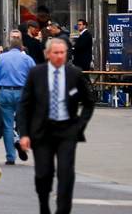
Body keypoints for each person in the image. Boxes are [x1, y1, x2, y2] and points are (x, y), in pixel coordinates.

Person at [19, 37, 96, 214]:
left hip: (67, 130)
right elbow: (24, 105)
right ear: (47, 54)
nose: (60, 56)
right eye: (56, 53)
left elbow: (89, 102)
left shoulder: (75, 73)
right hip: (42, 131)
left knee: (66, 172)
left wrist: (80, 125)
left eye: (63, 53)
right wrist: (23, 134)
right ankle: (44, 205)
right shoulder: (36, 73)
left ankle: (63, 209)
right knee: (43, 173)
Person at [0, 30, 35, 166]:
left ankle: (10, 156)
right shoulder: (27, 59)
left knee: (7, 125)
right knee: (22, 122)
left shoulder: (1, 58)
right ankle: (20, 139)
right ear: (21, 47)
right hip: (22, 93)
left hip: (5, 93)